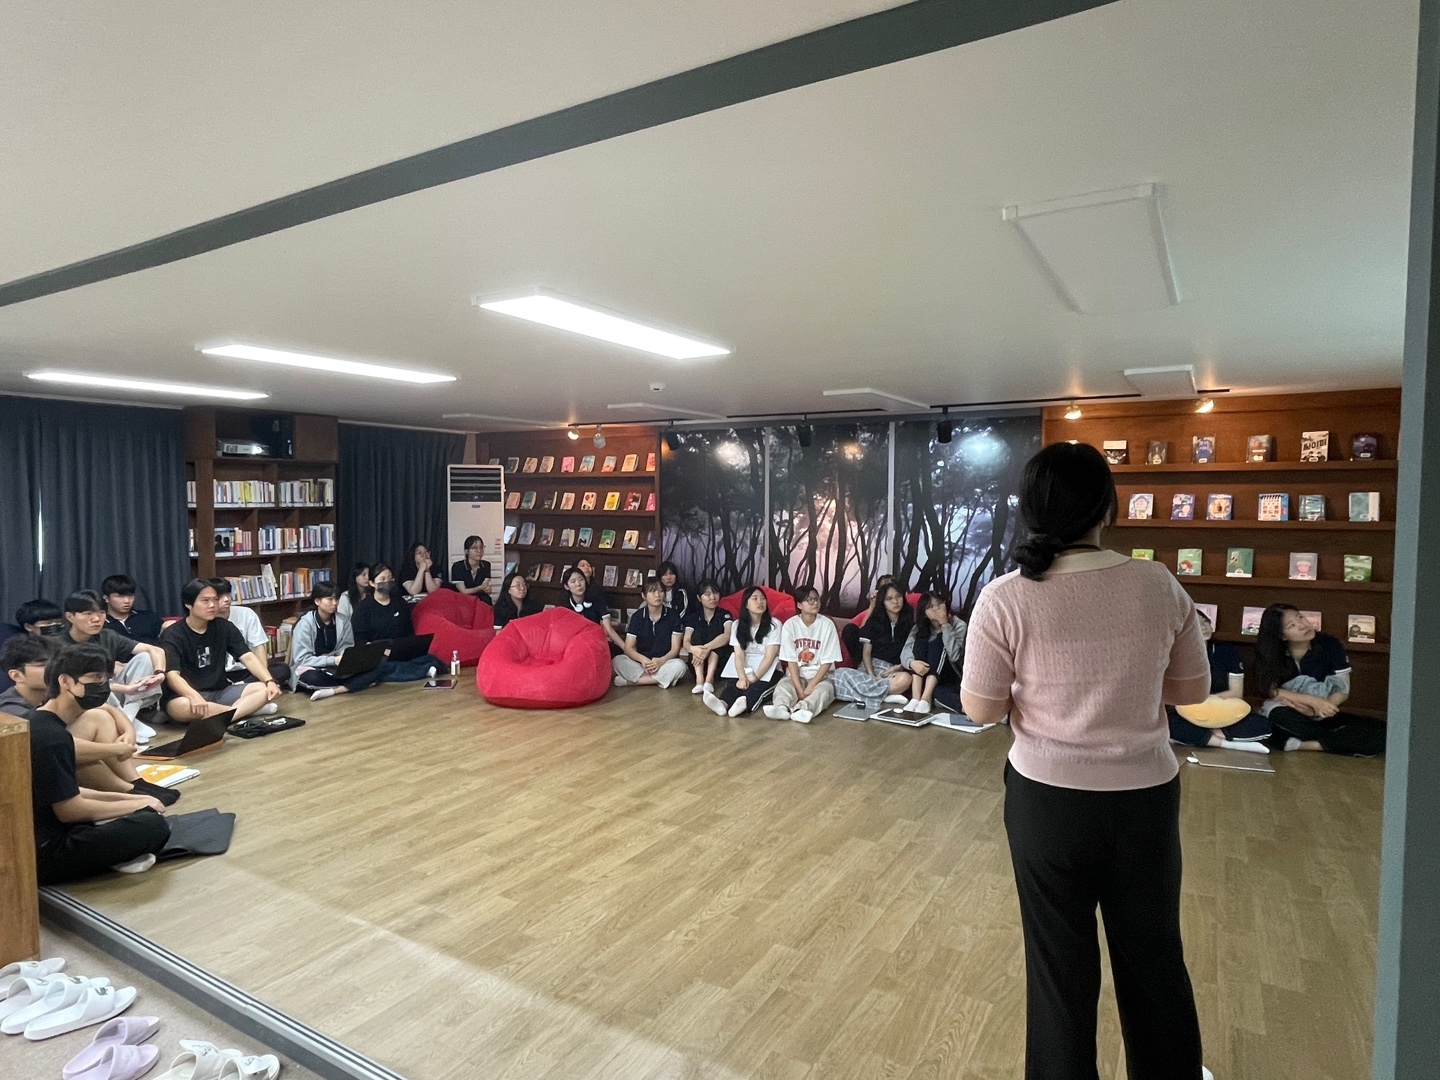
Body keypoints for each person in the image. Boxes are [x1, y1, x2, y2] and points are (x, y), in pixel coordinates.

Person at [960, 441, 1213, 1080]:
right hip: (1144, 802)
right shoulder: (1158, 583)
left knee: (1059, 970)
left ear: (1030, 513)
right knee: (1153, 958)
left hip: (1046, 802)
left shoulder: (1004, 597)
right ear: (1108, 507)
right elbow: (1191, 692)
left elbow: (981, 709)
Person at [26, 644, 172, 884]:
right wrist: (136, 805)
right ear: (65, 681)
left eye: (106, 678)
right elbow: (69, 810)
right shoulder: (52, 738)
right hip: (45, 850)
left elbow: (67, 793)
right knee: (153, 825)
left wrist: (133, 799)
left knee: (142, 811)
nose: (103, 685)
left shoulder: (38, 721)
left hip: (45, 830)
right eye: (95, 678)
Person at [1254, 604, 1387, 756]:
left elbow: (1343, 689)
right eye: (1292, 625)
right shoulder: (1271, 652)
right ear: (1282, 636)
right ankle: (1337, 741)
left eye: (1300, 617)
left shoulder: (1329, 644)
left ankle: (1300, 744)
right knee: (1280, 717)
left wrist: (1318, 710)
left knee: (1384, 730)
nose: (1302, 625)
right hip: (1288, 710)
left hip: (1324, 710)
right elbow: (1271, 690)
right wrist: (1311, 701)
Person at [160, 579, 282, 723]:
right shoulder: (173, 634)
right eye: (205, 601)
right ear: (188, 604)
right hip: (185, 696)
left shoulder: (224, 627)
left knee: (263, 689)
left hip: (220, 692)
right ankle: (245, 710)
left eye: (215, 599)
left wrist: (269, 681)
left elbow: (247, 656)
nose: (212, 605)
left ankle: (227, 716)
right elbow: (172, 675)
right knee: (183, 706)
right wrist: (194, 696)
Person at [1166, 608, 1271, 752]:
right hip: (1189, 713)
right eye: (1196, 624)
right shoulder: (1175, 655)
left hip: (1225, 710)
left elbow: (1236, 692)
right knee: (1171, 725)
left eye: (1205, 622)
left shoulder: (1226, 651)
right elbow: (1175, 697)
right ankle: (1227, 743)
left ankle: (1207, 737)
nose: (1204, 627)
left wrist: (1212, 709)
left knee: (1262, 725)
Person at [61, 589, 167, 721]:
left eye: (101, 612)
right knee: (98, 684)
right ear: (70, 616)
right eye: (88, 613)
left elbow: (155, 650)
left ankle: (129, 716)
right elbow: (73, 684)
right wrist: (126, 689)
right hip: (81, 696)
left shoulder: (107, 636)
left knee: (145, 657)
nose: (96, 619)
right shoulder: (58, 643)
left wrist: (159, 674)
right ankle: (124, 721)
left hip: (112, 692)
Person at [347, 565, 444, 682]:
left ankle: (421, 668)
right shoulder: (363, 608)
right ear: (372, 583)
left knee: (431, 659)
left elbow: (409, 631)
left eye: (389, 578)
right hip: (378, 653)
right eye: (382, 579)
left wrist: (409, 646)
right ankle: (422, 670)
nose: (387, 582)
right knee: (384, 667)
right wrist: (377, 650)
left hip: (400, 650)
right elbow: (359, 639)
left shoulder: (400, 603)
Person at [764, 584, 842, 723]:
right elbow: (791, 660)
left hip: (821, 677)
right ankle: (782, 708)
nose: (815, 603)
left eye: (816, 599)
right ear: (799, 605)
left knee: (823, 692)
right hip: (796, 675)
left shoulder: (827, 624)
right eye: (809, 600)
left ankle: (802, 710)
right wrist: (799, 689)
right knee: (783, 686)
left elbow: (827, 662)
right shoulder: (790, 625)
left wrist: (811, 686)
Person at [830, 583, 915, 706]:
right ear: (883, 602)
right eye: (889, 598)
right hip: (870, 668)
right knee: (839, 674)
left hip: (892, 670)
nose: (895, 601)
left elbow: (910, 652)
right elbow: (866, 654)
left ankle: (872, 695)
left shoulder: (910, 625)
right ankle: (885, 695)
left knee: (905, 679)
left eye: (898, 596)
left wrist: (898, 667)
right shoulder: (874, 622)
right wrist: (872, 675)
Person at [703, 585, 781, 717]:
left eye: (763, 598)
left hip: (769, 671)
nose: (760, 602)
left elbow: (770, 656)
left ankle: (744, 704)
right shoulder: (737, 625)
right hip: (746, 667)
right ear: (746, 604)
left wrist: (755, 677)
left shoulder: (775, 625)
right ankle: (722, 704)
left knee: (758, 688)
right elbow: (738, 654)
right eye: (755, 599)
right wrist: (741, 677)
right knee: (733, 685)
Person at [210, 579, 292, 688]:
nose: (226, 599)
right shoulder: (206, 619)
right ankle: (244, 688)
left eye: (228, 594)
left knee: (282, 669)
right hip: (219, 673)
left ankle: (239, 686)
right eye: (220, 596)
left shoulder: (246, 614)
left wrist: (265, 678)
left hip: (247, 670)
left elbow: (259, 646)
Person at [899, 591, 967, 715]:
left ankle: (926, 699)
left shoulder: (959, 625)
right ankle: (916, 698)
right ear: (925, 613)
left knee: (938, 644)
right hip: (924, 676)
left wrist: (945, 625)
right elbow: (905, 652)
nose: (937, 608)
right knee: (920, 643)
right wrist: (912, 663)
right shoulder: (919, 628)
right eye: (930, 607)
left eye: (939, 603)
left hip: (951, 675)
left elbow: (955, 656)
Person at [613, 579, 687, 687]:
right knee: (617, 660)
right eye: (652, 591)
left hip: (664, 662)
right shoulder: (637, 617)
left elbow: (675, 649)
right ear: (644, 596)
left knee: (680, 665)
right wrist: (643, 660)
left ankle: (633, 682)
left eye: (661, 591)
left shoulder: (673, 616)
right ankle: (660, 680)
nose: (657, 595)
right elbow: (628, 648)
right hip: (641, 664)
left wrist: (661, 661)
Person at [564, 562, 628, 654]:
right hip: (575, 646)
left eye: (581, 579)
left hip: (595, 642)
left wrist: (626, 649)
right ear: (566, 586)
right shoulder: (565, 607)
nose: (578, 584)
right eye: (573, 581)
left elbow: (608, 627)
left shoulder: (596, 599)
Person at [682, 579, 731, 695]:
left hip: (720, 664)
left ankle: (709, 680)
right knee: (696, 637)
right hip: (697, 663)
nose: (712, 597)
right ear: (699, 598)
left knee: (717, 637)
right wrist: (694, 649)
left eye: (715, 593)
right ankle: (699, 681)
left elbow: (727, 636)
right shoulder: (693, 617)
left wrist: (706, 648)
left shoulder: (724, 614)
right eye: (707, 594)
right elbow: (686, 642)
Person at [839, 574, 897, 666]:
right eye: (883, 589)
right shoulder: (872, 611)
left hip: (887, 652)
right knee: (850, 629)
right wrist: (872, 607)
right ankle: (859, 664)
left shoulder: (899, 606)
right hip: (867, 648)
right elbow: (862, 633)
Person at [1, 633, 58, 717]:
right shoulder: (8, 710)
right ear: (16, 675)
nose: (55, 668)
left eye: (56, 662)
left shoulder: (54, 696)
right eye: (42, 665)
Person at [100, 575, 163, 643]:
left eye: (130, 596)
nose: (127, 601)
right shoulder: (100, 624)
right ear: (106, 598)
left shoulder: (150, 617)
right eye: (120, 596)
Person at [451, 536, 494, 602]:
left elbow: (485, 586)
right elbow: (463, 591)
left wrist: (488, 589)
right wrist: (481, 587)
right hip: (463, 600)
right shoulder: (458, 566)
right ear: (467, 551)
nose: (479, 551)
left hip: (481, 599)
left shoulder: (486, 565)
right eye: (474, 548)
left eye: (481, 547)